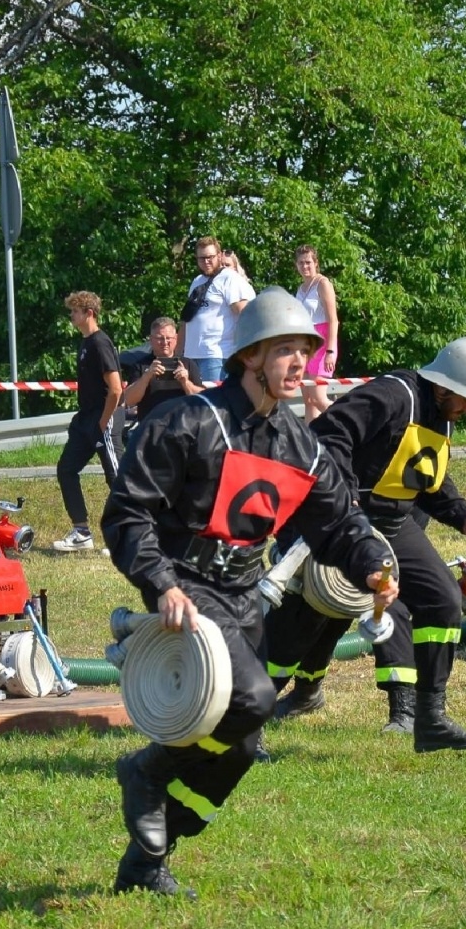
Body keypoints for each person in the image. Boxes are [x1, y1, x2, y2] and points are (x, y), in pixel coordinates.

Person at [103, 287, 397, 896]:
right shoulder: (186, 422)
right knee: (257, 698)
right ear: (250, 357)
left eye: (304, 352)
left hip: (243, 600)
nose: (299, 363)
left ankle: (144, 865)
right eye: (285, 350)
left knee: (237, 752)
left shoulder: (300, 445)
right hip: (189, 587)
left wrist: (371, 562)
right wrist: (159, 585)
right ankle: (146, 769)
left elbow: (337, 521)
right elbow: (127, 514)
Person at [269, 334, 466, 746]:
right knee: (301, 620)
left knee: (443, 598)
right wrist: (346, 496)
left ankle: (430, 720)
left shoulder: (442, 417)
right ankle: (245, 723)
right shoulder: (394, 395)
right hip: (343, 518)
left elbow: (427, 480)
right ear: (445, 386)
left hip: (394, 524)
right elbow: (328, 433)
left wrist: (462, 516)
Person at [52, 291, 122, 552]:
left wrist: (103, 424)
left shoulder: (100, 343)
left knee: (117, 478)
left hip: (106, 415)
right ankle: (81, 532)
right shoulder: (85, 343)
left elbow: (116, 389)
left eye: (75, 311)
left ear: (89, 313)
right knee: (66, 469)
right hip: (87, 418)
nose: (71, 315)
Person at [181, 237, 254, 383]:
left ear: (219, 256)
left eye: (210, 257)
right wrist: (179, 352)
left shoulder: (230, 279)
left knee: (214, 402)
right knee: (196, 402)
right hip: (192, 354)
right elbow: (186, 319)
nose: (206, 261)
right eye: (201, 258)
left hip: (216, 354)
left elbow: (244, 315)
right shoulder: (197, 281)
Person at [118, 316, 200, 435]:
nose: (165, 343)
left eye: (168, 338)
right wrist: (146, 377)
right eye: (159, 338)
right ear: (151, 339)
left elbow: (201, 400)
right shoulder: (140, 365)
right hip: (150, 428)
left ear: (176, 338)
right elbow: (129, 400)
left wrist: (186, 382)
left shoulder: (188, 364)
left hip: (182, 428)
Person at [294, 245, 340, 421]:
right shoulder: (301, 288)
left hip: (322, 342)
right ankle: (311, 441)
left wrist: (330, 351)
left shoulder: (323, 284)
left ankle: (346, 421)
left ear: (316, 263)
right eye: (301, 263)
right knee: (308, 400)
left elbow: (333, 320)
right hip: (305, 342)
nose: (305, 267)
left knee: (319, 398)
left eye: (308, 262)